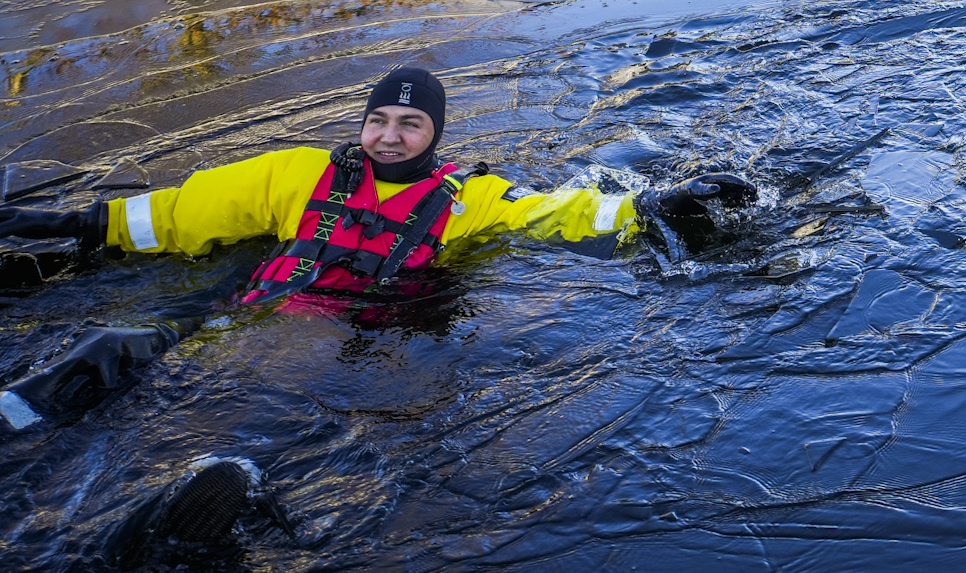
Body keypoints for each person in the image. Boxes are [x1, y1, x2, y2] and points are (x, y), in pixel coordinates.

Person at [0, 65, 756, 435]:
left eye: (410, 124)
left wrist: (654, 205)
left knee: (260, 407)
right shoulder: (299, 173)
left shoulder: (469, 199)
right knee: (115, 345)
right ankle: (19, 417)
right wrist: (78, 227)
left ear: (435, 135)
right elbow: (186, 212)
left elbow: (558, 212)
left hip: (364, 336)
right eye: (380, 119)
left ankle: (233, 474)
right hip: (258, 307)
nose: (390, 134)